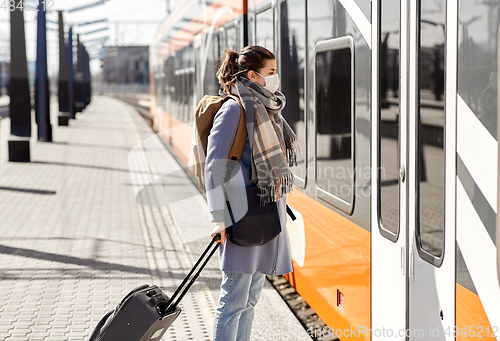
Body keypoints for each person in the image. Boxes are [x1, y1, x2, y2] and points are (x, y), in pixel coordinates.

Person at [204, 45, 300, 341]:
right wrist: (218, 218)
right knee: (233, 302)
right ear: (252, 75)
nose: (275, 77)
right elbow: (215, 167)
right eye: (271, 72)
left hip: (266, 214)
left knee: (250, 301)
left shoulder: (267, 106)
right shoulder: (234, 109)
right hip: (242, 216)